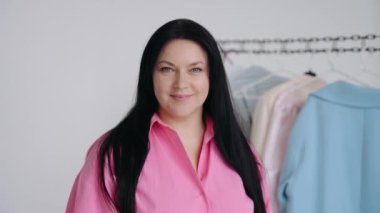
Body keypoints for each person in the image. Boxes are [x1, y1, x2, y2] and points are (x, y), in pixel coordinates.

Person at [66, 18, 271, 213]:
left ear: (211, 76)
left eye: (195, 70)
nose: (181, 83)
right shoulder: (114, 153)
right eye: (167, 69)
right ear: (150, 75)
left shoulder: (242, 152)